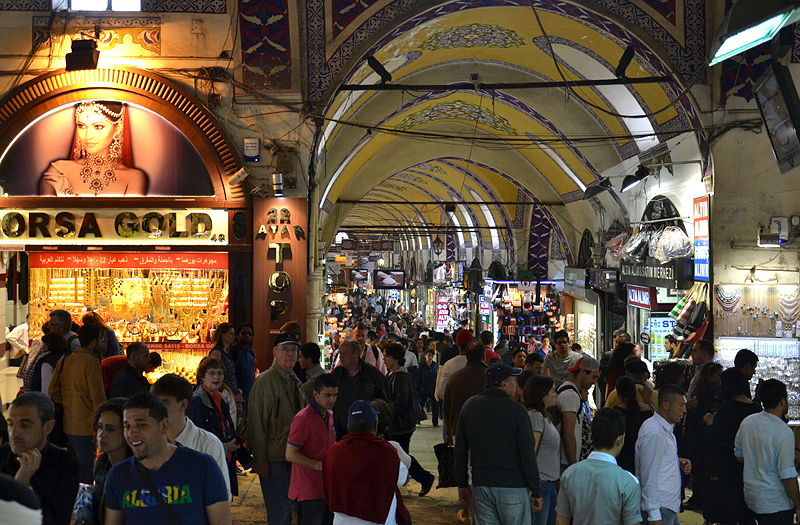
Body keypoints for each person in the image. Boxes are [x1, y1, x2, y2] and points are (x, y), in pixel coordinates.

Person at [103, 392, 230, 525]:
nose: (131, 433)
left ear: (163, 426)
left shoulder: (203, 467)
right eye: (127, 426)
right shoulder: (118, 475)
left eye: (141, 425)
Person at [455, 362, 542, 525]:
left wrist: (462, 484)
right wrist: (536, 490)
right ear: (503, 384)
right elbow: (527, 454)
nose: (515, 385)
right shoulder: (517, 411)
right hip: (513, 486)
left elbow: (460, 450)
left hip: (482, 484)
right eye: (513, 381)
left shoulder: (470, 406)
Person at [247, 334, 307, 525]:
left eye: (294, 350)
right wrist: (261, 459)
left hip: (295, 455)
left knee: (293, 508)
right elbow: (257, 423)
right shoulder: (265, 382)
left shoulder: (294, 380)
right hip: (275, 457)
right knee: (279, 511)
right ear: (275, 353)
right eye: (285, 350)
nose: (290, 355)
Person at [323, 400, 409, 525]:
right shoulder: (386, 452)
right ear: (375, 426)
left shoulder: (333, 452)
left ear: (348, 427)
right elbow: (403, 479)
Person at [0, 392, 79, 525]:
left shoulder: (64, 463)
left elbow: (56, 521)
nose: (14, 433)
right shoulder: (3, 454)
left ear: (48, 427)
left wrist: (23, 485)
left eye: (24, 425)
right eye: (10, 424)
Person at [39, 101, 147, 196]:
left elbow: (129, 218)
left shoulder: (133, 178)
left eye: (98, 127)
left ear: (117, 129)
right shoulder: (59, 171)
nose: (88, 136)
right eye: (82, 126)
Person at [151, 373, 231, 500]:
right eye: (155, 404)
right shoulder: (150, 443)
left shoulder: (208, 444)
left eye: (165, 403)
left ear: (183, 405)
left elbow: (222, 495)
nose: (157, 410)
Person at [555, 408, 642, 525]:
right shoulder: (628, 482)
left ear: (592, 436)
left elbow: (561, 521)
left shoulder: (569, 474)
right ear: (620, 440)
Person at [48, 322, 107, 483]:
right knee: (86, 470)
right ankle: (83, 505)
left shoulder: (65, 359)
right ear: (94, 342)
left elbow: (52, 390)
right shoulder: (91, 362)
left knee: (73, 467)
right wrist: (102, 422)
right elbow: (98, 396)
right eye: (101, 340)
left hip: (68, 421)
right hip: (86, 423)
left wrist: (69, 400)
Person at [735, 379, 800, 525]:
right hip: (776, 503)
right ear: (783, 401)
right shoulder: (784, 432)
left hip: (751, 497)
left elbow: (739, 456)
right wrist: (798, 505)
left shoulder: (748, 422)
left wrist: (758, 460)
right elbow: (787, 476)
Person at [704, 368, 760, 525]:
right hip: (752, 468)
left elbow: (715, 440)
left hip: (728, 469)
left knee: (730, 513)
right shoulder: (756, 409)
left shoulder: (726, 410)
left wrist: (709, 423)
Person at [188, 357, 251, 497]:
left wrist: (248, 461)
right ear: (202, 377)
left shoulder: (221, 398)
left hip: (223, 460)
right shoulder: (197, 402)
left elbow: (228, 430)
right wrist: (223, 447)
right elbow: (195, 439)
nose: (216, 377)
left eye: (219, 373)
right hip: (207, 465)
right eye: (211, 373)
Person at [635, 383, 692, 525]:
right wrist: (654, 515)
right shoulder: (655, 433)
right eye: (680, 405)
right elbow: (648, 476)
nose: (684, 410)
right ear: (666, 405)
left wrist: (676, 461)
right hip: (659, 508)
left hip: (666, 507)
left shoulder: (662, 429)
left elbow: (657, 462)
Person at [384, 342, 435, 497]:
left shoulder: (400, 377)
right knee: (400, 454)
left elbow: (402, 401)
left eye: (386, 356)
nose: (384, 359)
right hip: (397, 423)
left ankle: (424, 478)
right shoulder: (392, 375)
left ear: (395, 358)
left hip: (401, 425)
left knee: (402, 455)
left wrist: (386, 412)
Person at [286, 373, 338, 525]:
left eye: (335, 395)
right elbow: (290, 454)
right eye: (327, 395)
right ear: (315, 394)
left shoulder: (328, 415)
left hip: (325, 487)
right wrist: (319, 465)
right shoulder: (303, 419)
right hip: (308, 490)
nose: (332, 400)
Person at [77, 398, 132, 525]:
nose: (102, 434)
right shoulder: (102, 464)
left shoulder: (133, 470)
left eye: (111, 429)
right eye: (100, 427)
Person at [330, 338, 390, 440]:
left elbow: (384, 404)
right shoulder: (335, 376)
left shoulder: (373, 375)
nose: (341, 356)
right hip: (341, 434)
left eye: (345, 353)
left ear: (357, 354)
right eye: (340, 353)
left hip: (367, 434)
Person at [524, 374, 560, 525]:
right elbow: (531, 452)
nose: (555, 395)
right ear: (542, 394)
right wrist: (534, 489)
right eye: (553, 391)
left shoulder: (544, 417)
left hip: (549, 483)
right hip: (541, 484)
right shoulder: (536, 418)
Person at [558, 355, 601, 467]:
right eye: (594, 377)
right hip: (566, 462)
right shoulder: (570, 396)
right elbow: (568, 434)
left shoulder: (572, 393)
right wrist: (573, 466)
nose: (594, 382)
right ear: (583, 372)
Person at [442, 340, 487, 445]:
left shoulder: (455, 377)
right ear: (484, 356)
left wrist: (448, 432)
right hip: (484, 430)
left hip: (458, 430)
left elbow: (446, 409)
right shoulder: (488, 377)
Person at [611, 376, 653, 475]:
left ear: (618, 394)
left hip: (621, 457)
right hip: (642, 457)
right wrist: (648, 400)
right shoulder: (648, 410)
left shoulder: (615, 413)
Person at [231, 323, 256, 403]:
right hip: (237, 394)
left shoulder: (251, 352)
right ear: (238, 335)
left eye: (249, 334)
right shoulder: (233, 351)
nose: (247, 336)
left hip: (250, 393)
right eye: (244, 333)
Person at [210, 322, 239, 394]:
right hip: (223, 391)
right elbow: (214, 373)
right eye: (230, 334)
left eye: (233, 334)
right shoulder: (217, 352)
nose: (233, 336)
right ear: (223, 335)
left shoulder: (228, 351)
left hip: (231, 389)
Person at [417, 349, 439, 427]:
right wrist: (419, 387)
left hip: (432, 387)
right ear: (425, 356)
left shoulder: (435, 365)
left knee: (435, 406)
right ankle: (418, 420)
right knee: (420, 404)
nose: (430, 357)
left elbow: (437, 376)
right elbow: (419, 377)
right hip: (424, 387)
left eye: (431, 356)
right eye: (428, 355)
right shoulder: (421, 365)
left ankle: (435, 422)